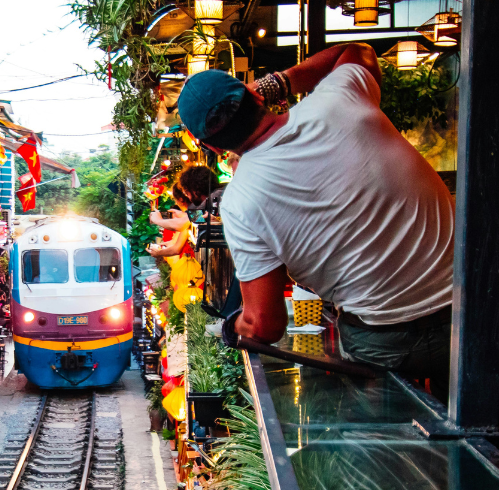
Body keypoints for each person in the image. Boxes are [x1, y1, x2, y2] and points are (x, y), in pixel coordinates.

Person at [176, 43, 454, 401]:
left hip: (388, 342)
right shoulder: (340, 98)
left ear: (212, 147)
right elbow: (357, 52)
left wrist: (232, 327)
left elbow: (263, 324)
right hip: (475, 303)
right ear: (255, 94)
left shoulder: (240, 202)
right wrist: (282, 81)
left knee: (394, 439)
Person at [148, 186, 196, 260]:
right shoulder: (192, 213)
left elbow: (176, 249)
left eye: (175, 199)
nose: (176, 202)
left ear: (181, 199)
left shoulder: (190, 216)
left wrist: (157, 220)